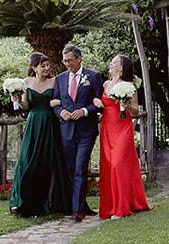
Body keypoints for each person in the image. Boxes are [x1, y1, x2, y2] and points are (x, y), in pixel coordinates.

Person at [8, 51, 70, 217]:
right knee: (27, 159)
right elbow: (26, 106)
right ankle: (23, 199)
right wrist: (18, 100)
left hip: (50, 123)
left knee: (48, 160)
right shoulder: (26, 82)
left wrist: (58, 103)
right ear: (34, 67)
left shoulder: (54, 81)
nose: (47, 68)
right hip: (34, 123)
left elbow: (62, 98)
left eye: (48, 65)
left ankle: (49, 201)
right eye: (43, 65)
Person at [52, 44, 104, 221]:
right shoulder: (59, 79)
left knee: (80, 168)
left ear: (79, 58)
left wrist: (84, 111)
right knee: (70, 169)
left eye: (70, 60)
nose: (67, 64)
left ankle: (77, 211)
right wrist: (61, 112)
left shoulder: (93, 76)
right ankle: (80, 204)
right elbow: (55, 103)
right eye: (64, 60)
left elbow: (99, 103)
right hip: (66, 131)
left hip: (86, 131)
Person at [97, 54, 150, 219]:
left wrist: (126, 105)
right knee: (108, 165)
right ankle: (110, 206)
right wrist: (96, 103)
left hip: (123, 127)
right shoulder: (106, 84)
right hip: (107, 127)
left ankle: (122, 208)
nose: (111, 64)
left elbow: (135, 111)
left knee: (118, 165)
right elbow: (102, 105)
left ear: (122, 67)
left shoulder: (129, 85)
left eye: (114, 62)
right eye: (111, 62)